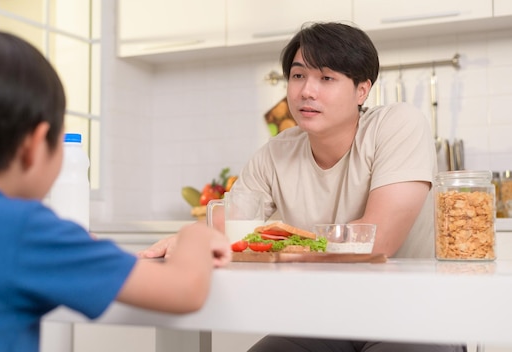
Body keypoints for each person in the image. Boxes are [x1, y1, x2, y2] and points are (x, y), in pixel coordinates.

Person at [0, 30, 231, 352]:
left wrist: (70, 247)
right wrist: (197, 236)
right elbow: (185, 289)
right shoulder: (22, 229)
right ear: (35, 145)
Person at [140, 22, 465, 352]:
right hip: (326, 319)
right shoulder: (275, 152)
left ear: (362, 90)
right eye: (298, 76)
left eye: (326, 78)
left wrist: (280, 245)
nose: (306, 91)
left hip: (416, 317)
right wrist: (191, 240)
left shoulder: (398, 124)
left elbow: (377, 240)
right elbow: (228, 228)